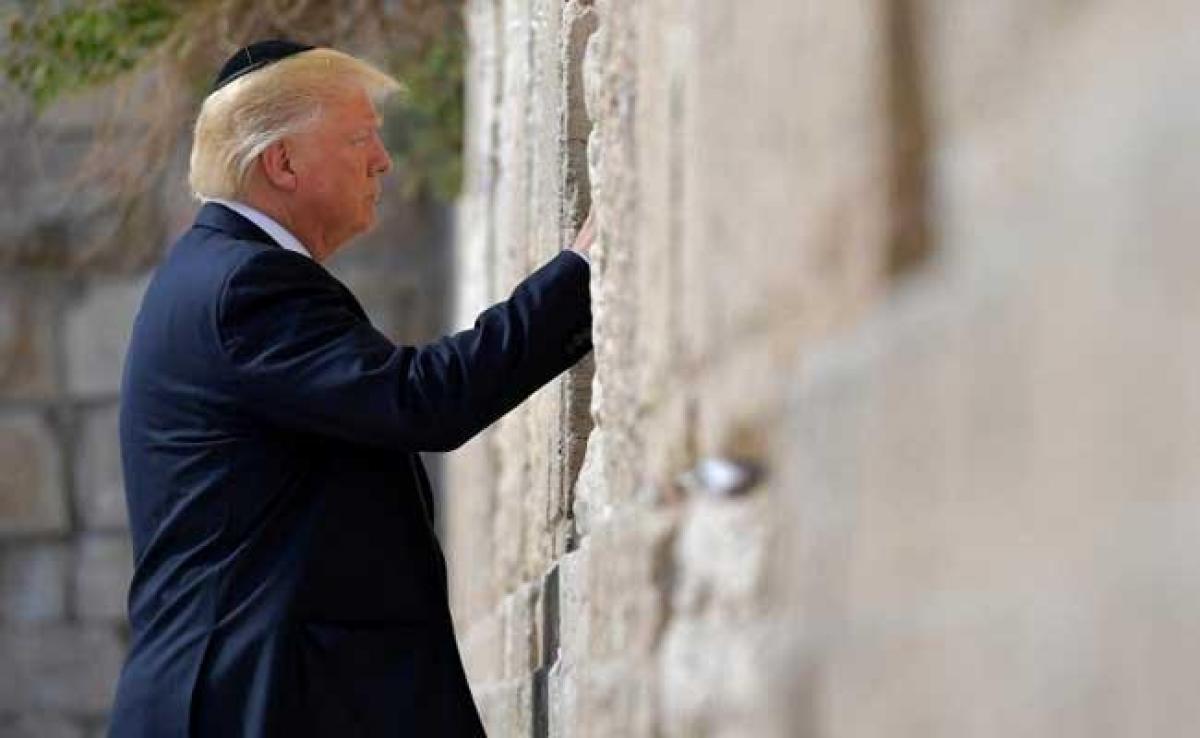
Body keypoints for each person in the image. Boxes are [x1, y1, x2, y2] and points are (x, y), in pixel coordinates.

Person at [108, 40, 595, 737]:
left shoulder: (218, 274)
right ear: (282, 162)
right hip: (252, 703)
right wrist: (581, 270)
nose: (383, 160)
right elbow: (422, 399)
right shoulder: (244, 287)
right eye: (361, 137)